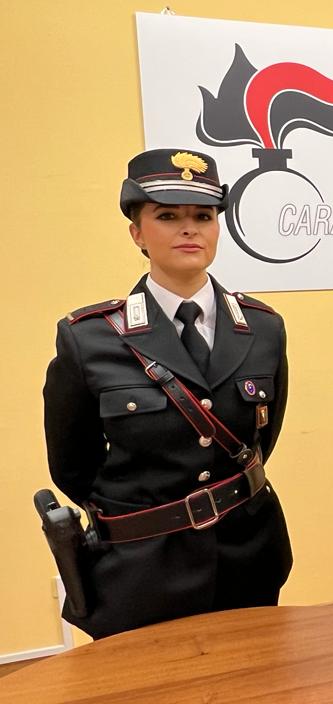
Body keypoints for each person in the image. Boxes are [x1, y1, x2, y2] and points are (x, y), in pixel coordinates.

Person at [43, 149, 292, 638]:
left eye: (203, 216)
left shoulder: (263, 328)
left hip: (247, 554)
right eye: (168, 216)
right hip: (141, 569)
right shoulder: (89, 338)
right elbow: (72, 465)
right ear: (137, 233)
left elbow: (262, 440)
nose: (189, 229)